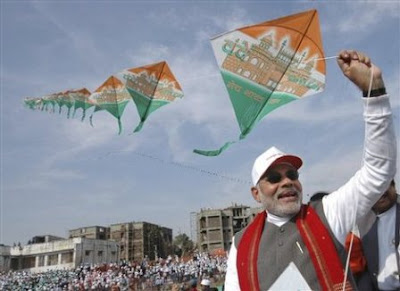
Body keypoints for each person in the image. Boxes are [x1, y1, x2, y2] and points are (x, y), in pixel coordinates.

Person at [224, 50, 397, 290]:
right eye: (274, 177)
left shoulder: (328, 213)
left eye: (292, 175)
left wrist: (373, 91)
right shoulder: (240, 244)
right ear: (256, 193)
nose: (286, 182)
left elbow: (379, 171)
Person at [357, 180, 400, 290]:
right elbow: (364, 269)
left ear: (394, 187)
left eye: (385, 186)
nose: (381, 192)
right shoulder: (363, 224)